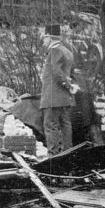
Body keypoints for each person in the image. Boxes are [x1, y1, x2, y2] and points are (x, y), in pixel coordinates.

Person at [40, 23, 78, 154]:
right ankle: (68, 152)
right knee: (65, 124)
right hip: (65, 98)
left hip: (53, 97)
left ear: (50, 37)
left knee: (50, 126)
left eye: (45, 38)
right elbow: (71, 73)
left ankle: (53, 155)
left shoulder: (54, 51)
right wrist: (71, 86)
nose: (44, 41)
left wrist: (68, 85)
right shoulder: (67, 51)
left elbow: (57, 72)